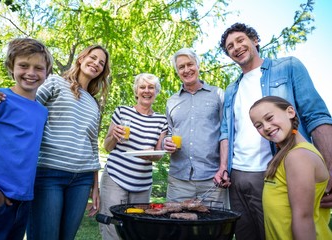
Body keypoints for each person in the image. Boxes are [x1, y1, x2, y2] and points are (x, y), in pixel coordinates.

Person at [0, 44, 111, 240]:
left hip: (81, 178)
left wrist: (95, 185)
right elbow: (23, 101)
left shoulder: (94, 103)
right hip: (50, 172)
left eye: (101, 63)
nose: (96, 63)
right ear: (81, 58)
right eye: (93, 57)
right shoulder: (54, 82)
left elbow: (91, 143)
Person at [218, 22, 332, 240]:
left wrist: (330, 169)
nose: (236, 47)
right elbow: (226, 131)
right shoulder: (231, 89)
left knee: (282, 232)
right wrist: (224, 167)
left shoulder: (287, 67)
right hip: (237, 177)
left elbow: (317, 115)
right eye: (230, 46)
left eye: (240, 40)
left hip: (274, 172)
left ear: (255, 40)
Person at [0, 38, 53, 239]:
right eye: (23, 66)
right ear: (11, 66)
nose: (31, 73)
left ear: (47, 72)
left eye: (39, 68)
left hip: (22, 203)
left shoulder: (42, 111)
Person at [249, 96, 332, 239]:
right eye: (259, 125)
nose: (266, 127)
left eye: (269, 118)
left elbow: (303, 218)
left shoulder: (298, 156)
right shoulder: (285, 156)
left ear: (290, 112)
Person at [99, 73, 168, 240]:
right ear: (136, 91)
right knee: (112, 225)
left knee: (137, 228)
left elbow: (159, 155)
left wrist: (150, 156)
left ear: (156, 92)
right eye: (142, 87)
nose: (146, 90)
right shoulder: (121, 112)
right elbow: (107, 147)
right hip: (115, 178)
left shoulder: (161, 120)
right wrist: (114, 136)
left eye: (151, 87)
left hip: (142, 183)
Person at [163, 48, 229, 208]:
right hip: (179, 180)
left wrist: (224, 168)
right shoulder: (171, 101)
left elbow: (225, 133)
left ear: (198, 65)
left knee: (214, 230)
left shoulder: (218, 94)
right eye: (181, 67)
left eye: (190, 64)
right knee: (177, 228)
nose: (186, 70)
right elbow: (169, 133)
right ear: (177, 71)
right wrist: (167, 143)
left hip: (213, 179)